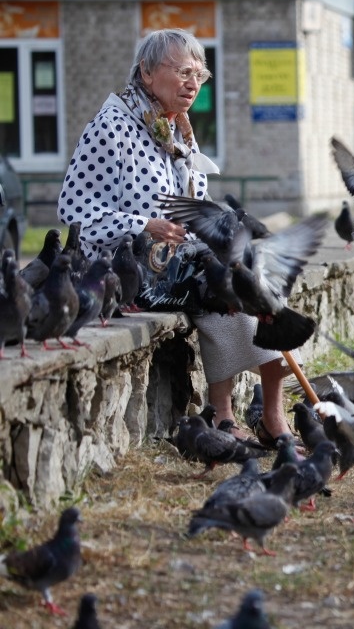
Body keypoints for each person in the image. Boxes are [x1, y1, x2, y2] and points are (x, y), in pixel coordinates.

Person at [57, 28, 297, 445]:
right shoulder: (112, 127)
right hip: (121, 274)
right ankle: (230, 416)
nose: (193, 82)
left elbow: (196, 207)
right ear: (147, 73)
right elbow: (73, 210)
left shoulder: (176, 133)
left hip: (172, 261)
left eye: (200, 75)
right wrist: (143, 225)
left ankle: (264, 415)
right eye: (183, 71)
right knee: (219, 279)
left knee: (250, 270)